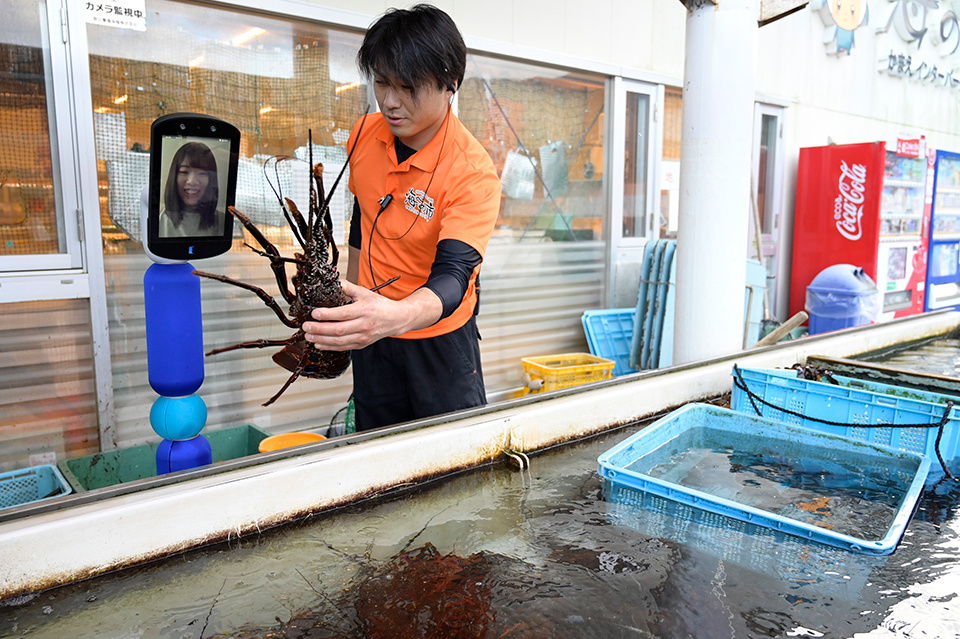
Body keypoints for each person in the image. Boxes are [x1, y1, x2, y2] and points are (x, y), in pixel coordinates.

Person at [301, 4, 501, 431]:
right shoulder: (365, 133)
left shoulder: (472, 172)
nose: (390, 101)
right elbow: (363, 214)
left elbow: (455, 274)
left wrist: (394, 316)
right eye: (381, 82)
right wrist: (348, 299)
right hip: (374, 330)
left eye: (408, 86)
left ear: (450, 85)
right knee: (378, 451)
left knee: (452, 464)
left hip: (439, 341)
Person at [159, 141, 221, 237]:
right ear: (174, 176)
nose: (192, 181)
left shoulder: (223, 222)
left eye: (202, 173)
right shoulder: (157, 220)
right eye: (184, 172)